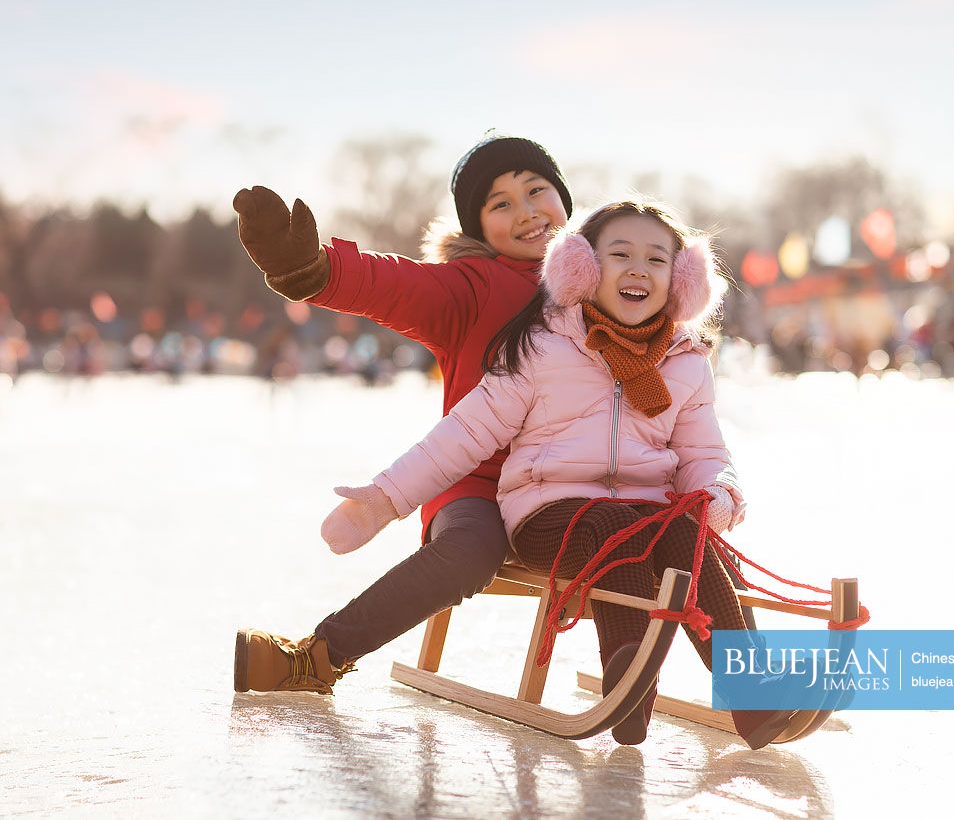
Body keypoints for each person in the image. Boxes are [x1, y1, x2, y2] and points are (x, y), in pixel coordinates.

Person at [320, 200, 799, 748]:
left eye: (656, 259)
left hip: (646, 514)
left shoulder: (686, 363)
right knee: (614, 526)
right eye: (620, 254)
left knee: (688, 534)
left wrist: (718, 491)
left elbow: (704, 450)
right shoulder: (542, 349)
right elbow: (465, 434)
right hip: (550, 514)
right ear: (583, 269)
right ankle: (627, 672)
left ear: (681, 280)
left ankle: (754, 695)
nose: (638, 269)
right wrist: (385, 498)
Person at [231, 134, 574, 694]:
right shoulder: (472, 289)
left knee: (686, 540)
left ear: (563, 196)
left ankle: (760, 688)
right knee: (469, 551)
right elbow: (396, 287)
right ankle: (316, 657)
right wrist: (311, 270)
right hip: (475, 484)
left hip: (573, 485)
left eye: (538, 191)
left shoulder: (609, 282)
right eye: (501, 204)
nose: (528, 212)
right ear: (478, 228)